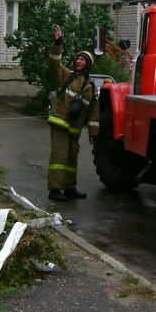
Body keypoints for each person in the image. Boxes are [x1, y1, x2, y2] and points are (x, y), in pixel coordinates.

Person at [47, 25, 98, 202]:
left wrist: (93, 133)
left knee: (70, 160)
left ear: (88, 64)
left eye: (83, 60)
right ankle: (54, 190)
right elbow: (54, 62)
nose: (78, 61)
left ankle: (69, 188)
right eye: (78, 59)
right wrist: (58, 43)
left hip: (74, 129)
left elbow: (93, 112)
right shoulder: (66, 75)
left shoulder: (90, 86)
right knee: (59, 157)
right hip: (60, 123)